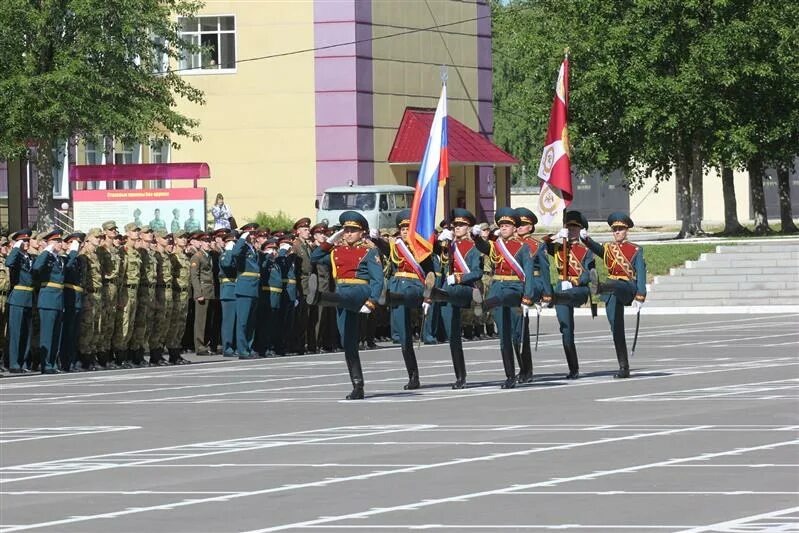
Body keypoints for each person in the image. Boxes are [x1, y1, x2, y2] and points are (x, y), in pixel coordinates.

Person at [307, 211, 384, 400]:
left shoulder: (369, 251)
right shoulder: (336, 252)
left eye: (353, 230)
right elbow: (315, 257)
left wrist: (372, 301)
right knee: (348, 343)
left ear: (362, 233)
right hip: (342, 295)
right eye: (346, 230)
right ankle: (358, 386)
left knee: (343, 295)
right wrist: (331, 240)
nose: (348, 233)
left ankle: (320, 297)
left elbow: (378, 279)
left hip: (360, 291)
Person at [474, 207, 551, 388]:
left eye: (508, 225)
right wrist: (476, 236)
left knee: (518, 334)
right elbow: (483, 246)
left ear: (515, 228)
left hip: (515, 289)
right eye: (501, 225)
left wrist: (528, 297)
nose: (504, 228)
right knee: (504, 337)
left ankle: (526, 369)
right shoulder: (496, 246)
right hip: (497, 286)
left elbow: (530, 275)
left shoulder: (524, 248)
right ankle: (509, 375)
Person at [423, 208, 483, 389]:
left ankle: (436, 294)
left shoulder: (473, 248)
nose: (457, 228)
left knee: (450, 292)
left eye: (462, 225)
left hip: (464, 289)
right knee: (453, 337)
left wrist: (458, 278)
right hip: (448, 291)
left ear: (469, 227)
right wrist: (440, 241)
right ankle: (460, 376)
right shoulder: (447, 246)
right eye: (455, 225)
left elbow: (477, 272)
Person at [582, 212, 647, 379]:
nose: (617, 232)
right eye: (615, 229)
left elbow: (641, 272)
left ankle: (600, 286)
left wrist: (641, 295)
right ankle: (623, 367)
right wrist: (586, 239)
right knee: (616, 329)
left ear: (627, 230)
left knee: (616, 284)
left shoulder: (635, 250)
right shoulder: (609, 248)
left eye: (620, 229)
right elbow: (597, 249)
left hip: (627, 287)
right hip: (611, 292)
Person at [377, 209, 436, 390]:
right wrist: (375, 239)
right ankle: (413, 376)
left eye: (407, 228)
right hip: (397, 289)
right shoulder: (395, 246)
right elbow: (384, 248)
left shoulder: (422, 248)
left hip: (415, 288)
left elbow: (430, 273)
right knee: (404, 338)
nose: (404, 231)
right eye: (402, 228)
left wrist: (428, 295)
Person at [543, 210, 595, 379]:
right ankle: (573, 368)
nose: (571, 230)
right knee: (566, 330)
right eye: (569, 227)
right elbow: (540, 245)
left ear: (581, 230)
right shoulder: (559, 248)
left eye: (575, 228)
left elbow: (590, 274)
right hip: (560, 288)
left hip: (578, 289)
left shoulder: (586, 251)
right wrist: (556, 236)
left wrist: (575, 281)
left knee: (566, 296)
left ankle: (551, 298)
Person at [32, 229, 79, 374]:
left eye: (60, 241)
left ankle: (52, 363)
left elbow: (70, 265)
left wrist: (73, 252)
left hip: (58, 300)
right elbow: (36, 266)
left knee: (56, 334)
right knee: (47, 334)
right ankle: (45, 364)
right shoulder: (46, 258)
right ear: (50, 243)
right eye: (56, 242)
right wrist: (47, 250)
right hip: (47, 299)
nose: (60, 244)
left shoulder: (59, 259)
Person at [6, 229, 35, 373]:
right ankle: (13, 363)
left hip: (29, 298)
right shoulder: (16, 256)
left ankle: (23, 362)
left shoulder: (30, 257)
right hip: (17, 296)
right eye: (23, 240)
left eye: (28, 240)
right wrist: (16, 248)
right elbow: (8, 262)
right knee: (16, 332)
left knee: (26, 332)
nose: (27, 243)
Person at [231, 222, 261, 358]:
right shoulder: (242, 248)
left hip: (253, 287)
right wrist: (242, 238)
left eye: (255, 234)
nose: (254, 236)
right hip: (244, 287)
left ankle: (249, 347)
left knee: (251, 321)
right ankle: (242, 349)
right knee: (243, 321)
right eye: (251, 234)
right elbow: (235, 253)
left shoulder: (253, 249)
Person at [190, 232, 217, 355]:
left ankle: (205, 344)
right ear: (200, 243)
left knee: (208, 320)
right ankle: (199, 346)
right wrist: (198, 293)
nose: (207, 243)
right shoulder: (197, 256)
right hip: (202, 290)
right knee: (200, 321)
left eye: (209, 241)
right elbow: (194, 276)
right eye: (205, 241)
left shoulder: (208, 256)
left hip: (209, 291)